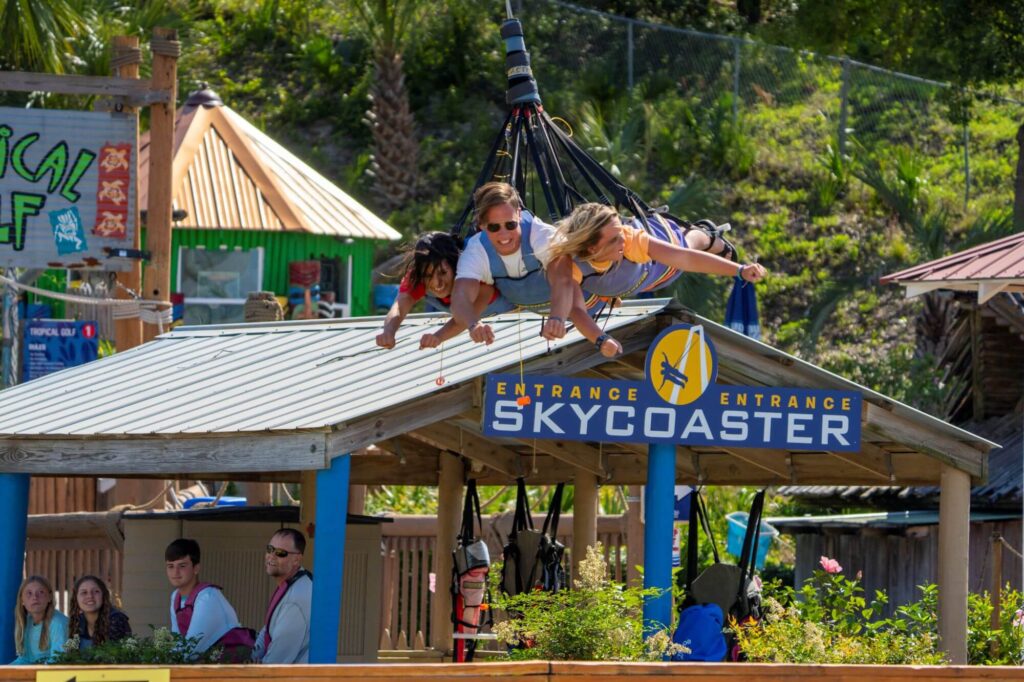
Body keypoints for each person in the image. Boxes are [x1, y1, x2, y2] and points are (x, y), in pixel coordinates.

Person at [450, 181, 597, 348]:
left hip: (583, 303)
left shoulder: (543, 236)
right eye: (494, 227)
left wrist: (557, 318)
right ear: (481, 225)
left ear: (519, 214)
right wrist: (473, 325)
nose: (504, 234)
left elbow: (563, 281)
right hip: (534, 310)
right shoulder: (476, 251)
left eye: (510, 224)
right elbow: (460, 297)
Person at [376, 231, 512, 350]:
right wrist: (389, 331)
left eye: (442, 272)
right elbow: (399, 307)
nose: (436, 283)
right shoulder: (417, 277)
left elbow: (463, 319)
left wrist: (438, 337)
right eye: (428, 276)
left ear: (455, 266)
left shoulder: (472, 275)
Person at [165, 538, 252, 660]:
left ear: (196, 568)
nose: (175, 572)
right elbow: (177, 641)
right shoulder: (176, 597)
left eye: (182, 565)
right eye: (170, 566)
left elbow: (192, 647)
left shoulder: (207, 597)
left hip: (232, 664)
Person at [252, 528, 312, 664]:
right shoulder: (294, 582)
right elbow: (268, 629)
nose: (271, 556)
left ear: (297, 559)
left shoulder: (295, 600)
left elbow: (276, 661)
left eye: (280, 553)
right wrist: (250, 655)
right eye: (269, 549)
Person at [10, 575, 68, 665]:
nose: (35, 597)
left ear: (49, 597)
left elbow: (58, 661)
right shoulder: (27, 621)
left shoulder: (58, 623)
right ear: (22, 600)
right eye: (29, 593)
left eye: (40, 592)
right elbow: (25, 660)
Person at [68, 575, 131, 649]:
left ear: (103, 596)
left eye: (96, 591)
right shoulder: (78, 620)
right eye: (84, 592)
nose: (90, 596)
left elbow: (114, 656)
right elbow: (71, 653)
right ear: (76, 598)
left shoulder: (116, 619)